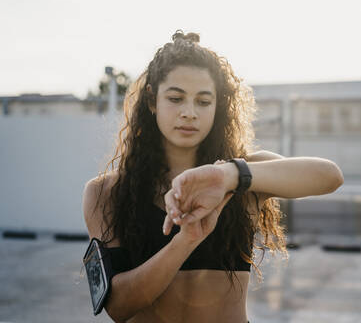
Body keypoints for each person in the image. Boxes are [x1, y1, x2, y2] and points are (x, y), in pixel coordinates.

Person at [82, 30, 344, 323]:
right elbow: (117, 307)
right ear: (152, 101)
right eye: (176, 98)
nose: (189, 112)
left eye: (203, 101)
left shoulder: (244, 175)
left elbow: (329, 176)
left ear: (218, 107)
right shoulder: (107, 191)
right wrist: (186, 240)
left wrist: (228, 176)